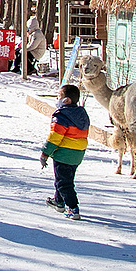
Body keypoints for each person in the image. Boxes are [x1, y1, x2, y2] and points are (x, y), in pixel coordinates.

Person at [40, 82, 90, 218]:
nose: (57, 99)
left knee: (64, 183)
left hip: (64, 154)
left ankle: (73, 207)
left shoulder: (62, 116)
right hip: (77, 154)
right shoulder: (81, 114)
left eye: (59, 96)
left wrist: (45, 153)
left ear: (66, 100)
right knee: (64, 178)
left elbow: (54, 137)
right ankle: (59, 201)